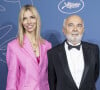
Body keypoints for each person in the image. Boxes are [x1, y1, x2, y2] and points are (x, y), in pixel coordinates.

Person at [47, 15, 99, 90]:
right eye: (71, 25)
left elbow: (95, 75)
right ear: (64, 30)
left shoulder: (94, 50)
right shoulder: (52, 54)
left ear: (83, 29)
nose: (75, 29)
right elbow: (52, 82)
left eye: (79, 25)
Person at [6, 5, 51, 90]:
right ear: (21, 22)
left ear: (37, 19)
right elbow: (12, 80)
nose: (29, 22)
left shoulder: (47, 45)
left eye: (32, 17)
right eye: (25, 18)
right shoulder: (14, 46)